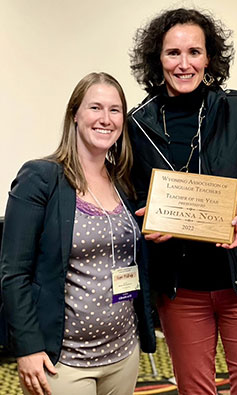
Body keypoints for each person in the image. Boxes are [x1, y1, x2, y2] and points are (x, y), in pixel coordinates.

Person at [128, 8, 237, 395]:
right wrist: (147, 221)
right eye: (173, 53)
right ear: (158, 59)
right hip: (182, 291)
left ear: (209, 58)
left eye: (194, 52)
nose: (184, 63)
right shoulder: (137, 125)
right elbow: (132, 197)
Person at [0, 72, 156, 395]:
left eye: (115, 110)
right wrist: (27, 347)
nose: (106, 119)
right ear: (75, 115)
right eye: (95, 107)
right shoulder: (41, 178)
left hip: (123, 352)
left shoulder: (124, 182)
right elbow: (13, 273)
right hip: (64, 362)